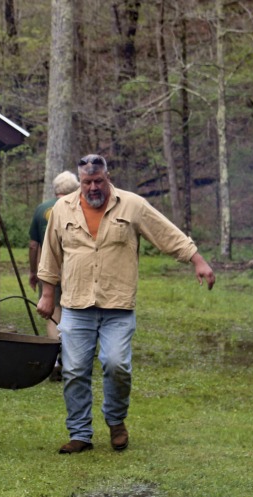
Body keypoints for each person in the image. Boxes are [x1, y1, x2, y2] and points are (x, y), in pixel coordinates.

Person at [36, 154, 215, 454]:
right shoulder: (61, 209)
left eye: (98, 181)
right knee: (74, 370)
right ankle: (80, 433)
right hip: (77, 305)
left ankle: (116, 420)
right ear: (79, 181)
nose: (93, 187)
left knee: (116, 365)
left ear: (108, 176)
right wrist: (47, 293)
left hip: (117, 305)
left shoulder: (131, 204)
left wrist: (196, 260)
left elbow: (165, 233)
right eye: (86, 182)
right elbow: (50, 253)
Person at [28, 171, 80, 379]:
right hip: (76, 268)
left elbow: (34, 245)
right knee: (76, 312)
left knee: (53, 312)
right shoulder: (79, 207)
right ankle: (73, 358)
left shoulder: (42, 209)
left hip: (49, 268)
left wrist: (33, 271)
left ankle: (55, 358)